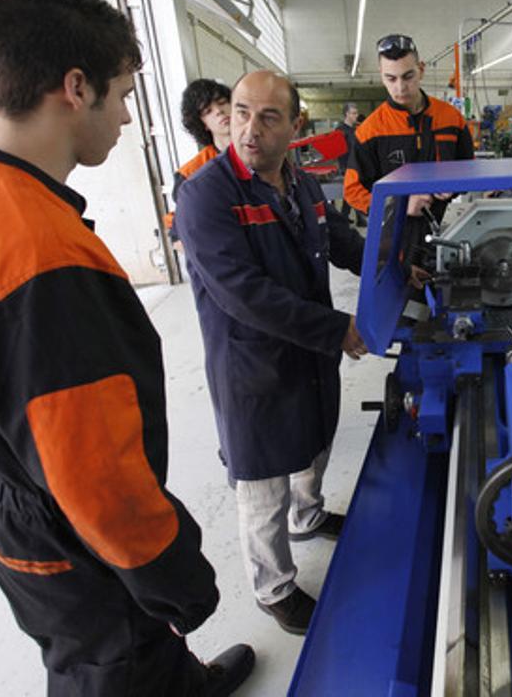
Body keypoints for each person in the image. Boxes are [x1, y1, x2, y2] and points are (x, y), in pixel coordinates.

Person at [0, 0, 253, 696]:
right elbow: (98, 479)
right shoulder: (41, 256)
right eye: (123, 94)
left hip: (16, 510)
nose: (127, 118)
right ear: (75, 86)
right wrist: (178, 581)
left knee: (123, 656)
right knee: (115, 665)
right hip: (78, 546)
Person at [173, 70, 367, 637]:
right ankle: (274, 588)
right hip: (251, 366)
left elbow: (336, 238)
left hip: (306, 355)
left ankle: (310, 516)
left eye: (268, 117)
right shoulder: (206, 195)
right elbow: (247, 296)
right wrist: (339, 329)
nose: (249, 130)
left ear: (295, 126)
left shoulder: (301, 184)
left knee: (314, 446)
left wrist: (391, 262)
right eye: (239, 113)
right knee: (262, 488)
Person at [342, 33, 474, 224]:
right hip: (395, 233)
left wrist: (453, 185)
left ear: (421, 70)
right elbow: (353, 190)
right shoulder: (370, 131)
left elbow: (469, 170)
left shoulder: (451, 118)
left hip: (448, 225)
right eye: (391, 79)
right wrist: (398, 206)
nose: (400, 87)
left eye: (408, 76)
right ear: (381, 75)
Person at [167, 79, 231, 236]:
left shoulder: (263, 154)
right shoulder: (190, 175)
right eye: (208, 111)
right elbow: (180, 233)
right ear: (202, 124)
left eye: (222, 102)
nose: (218, 111)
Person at [334, 102, 361, 223]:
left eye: (356, 113)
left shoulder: (355, 130)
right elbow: (339, 152)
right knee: (352, 192)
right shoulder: (340, 131)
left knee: (353, 193)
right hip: (347, 167)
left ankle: (345, 217)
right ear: (346, 114)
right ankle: (346, 217)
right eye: (353, 113)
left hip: (355, 165)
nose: (356, 115)